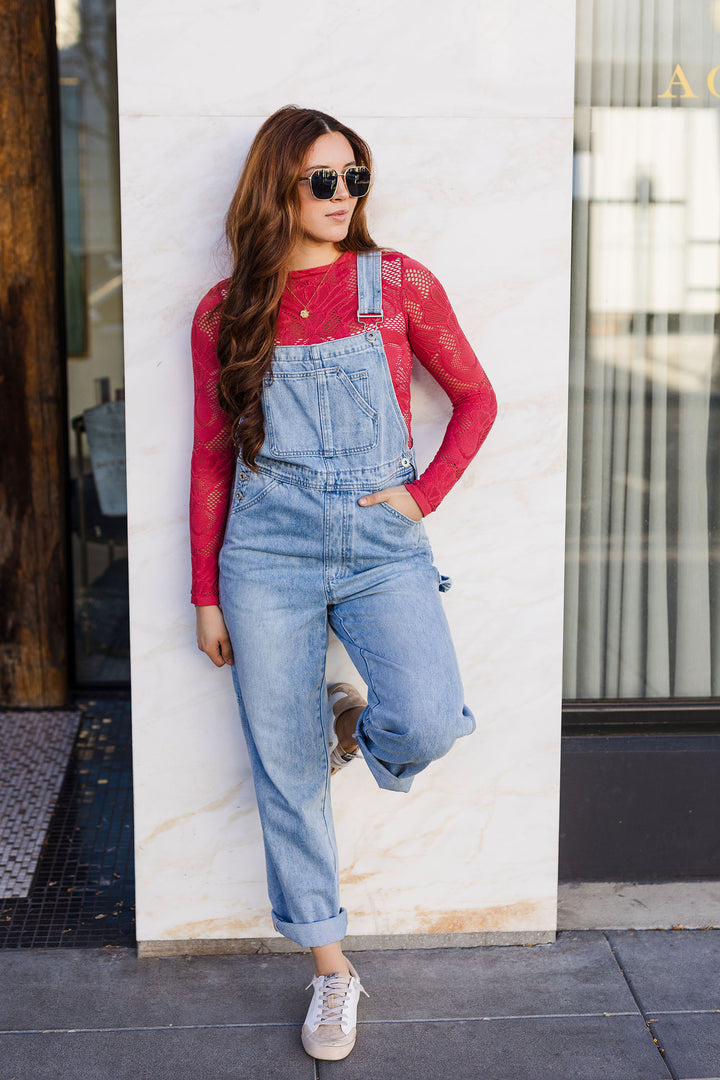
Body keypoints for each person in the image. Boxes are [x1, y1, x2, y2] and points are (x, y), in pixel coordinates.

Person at [189, 104, 497, 1062]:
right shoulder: (224, 308)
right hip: (263, 552)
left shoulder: (395, 282)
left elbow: (477, 399)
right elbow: (210, 456)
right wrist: (205, 593)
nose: (343, 196)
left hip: (379, 542)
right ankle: (332, 971)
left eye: (354, 177)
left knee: (432, 718)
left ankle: (354, 725)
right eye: (323, 179)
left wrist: (420, 498)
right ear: (277, 183)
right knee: (283, 770)